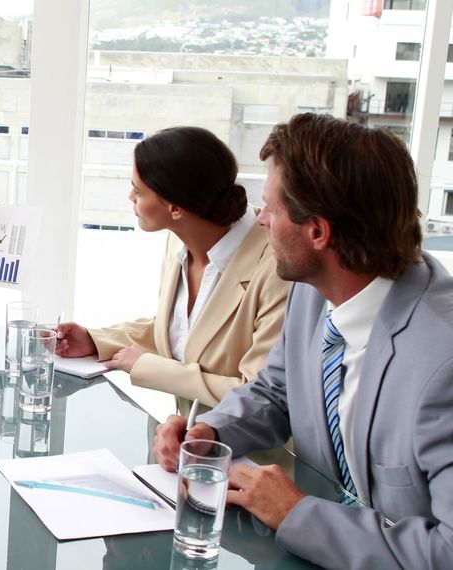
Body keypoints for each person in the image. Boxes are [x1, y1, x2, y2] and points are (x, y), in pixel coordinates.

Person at [153, 113, 453, 568]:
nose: (260, 222)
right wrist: (211, 432)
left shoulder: (442, 362)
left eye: (270, 209)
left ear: (317, 232)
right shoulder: (314, 292)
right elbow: (277, 391)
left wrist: (297, 513)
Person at [56, 127, 289, 412]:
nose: (131, 197)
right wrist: (94, 340)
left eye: (139, 191)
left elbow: (259, 393)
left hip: (249, 452)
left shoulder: (278, 268)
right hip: (179, 438)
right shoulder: (178, 238)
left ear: (175, 208)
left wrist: (151, 368)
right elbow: (183, 331)